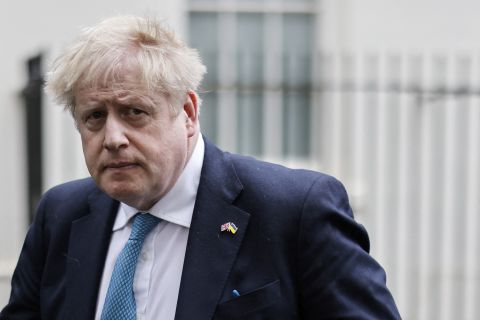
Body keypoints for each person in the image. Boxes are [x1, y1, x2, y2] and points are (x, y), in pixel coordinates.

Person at [0, 16, 400, 320]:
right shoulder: (61, 214)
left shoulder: (294, 211)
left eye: (134, 112)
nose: (113, 137)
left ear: (188, 113)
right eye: (94, 117)